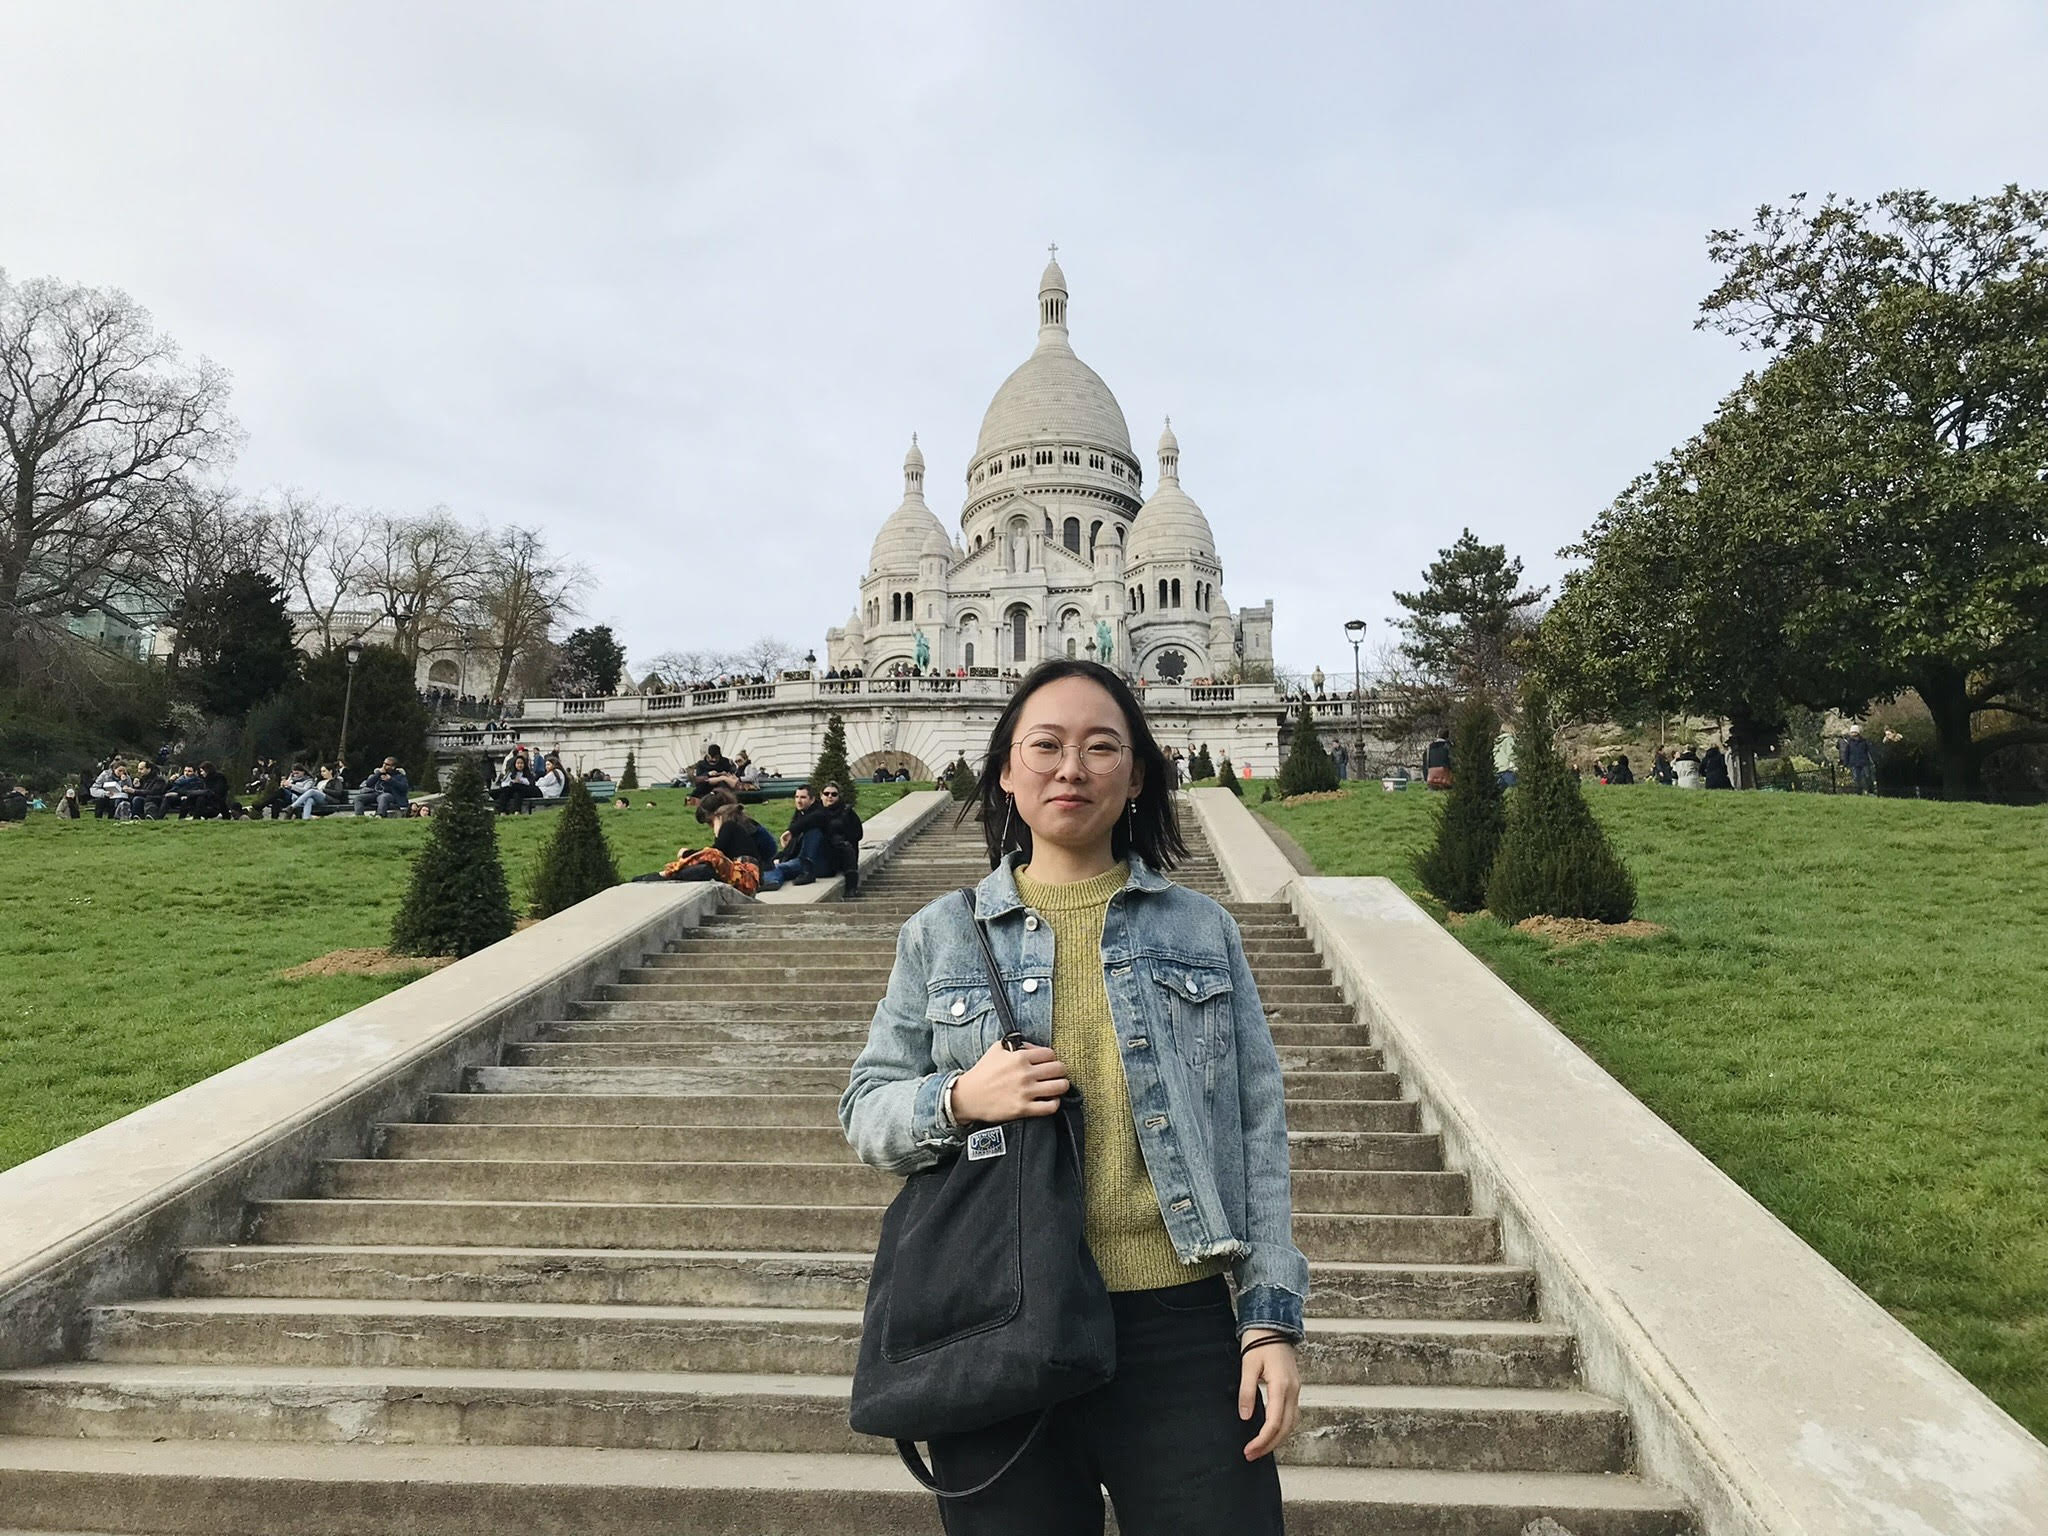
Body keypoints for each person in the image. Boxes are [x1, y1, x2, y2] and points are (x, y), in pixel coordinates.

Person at [840, 658, 1304, 1533]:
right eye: (1045, 745)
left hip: (1179, 1324)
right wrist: (961, 1097)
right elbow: (866, 1110)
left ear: (1136, 777)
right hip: (996, 1314)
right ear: (1006, 771)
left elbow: (1256, 1127)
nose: (1071, 768)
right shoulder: (939, 934)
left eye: (1101, 747)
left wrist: (1270, 1320)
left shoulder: (1203, 930)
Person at [816, 781, 864, 896]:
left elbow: (858, 834)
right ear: (821, 795)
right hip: (821, 852)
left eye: (834, 794)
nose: (830, 797)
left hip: (842, 853)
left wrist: (840, 837)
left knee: (846, 847)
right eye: (826, 793)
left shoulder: (847, 812)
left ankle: (851, 888)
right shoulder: (815, 812)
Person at [493, 750, 541, 815]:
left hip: (524, 791)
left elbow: (530, 783)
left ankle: (517, 811)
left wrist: (520, 781)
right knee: (506, 792)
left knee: (517, 790)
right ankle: (502, 811)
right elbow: (504, 783)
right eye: (518, 763)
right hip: (511, 791)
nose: (520, 765)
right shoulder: (510, 773)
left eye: (521, 763)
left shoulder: (527, 773)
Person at [1838, 724, 1875, 794]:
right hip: (1854, 763)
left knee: (1867, 777)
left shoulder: (1864, 741)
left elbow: (1870, 750)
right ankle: (1858, 792)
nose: (1853, 734)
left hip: (1864, 762)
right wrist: (1845, 763)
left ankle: (1871, 791)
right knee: (1856, 779)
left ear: (1858, 732)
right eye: (1852, 732)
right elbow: (1846, 753)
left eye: (1854, 732)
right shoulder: (1849, 743)